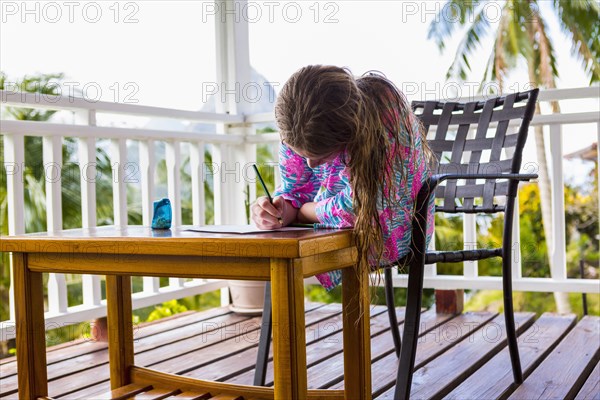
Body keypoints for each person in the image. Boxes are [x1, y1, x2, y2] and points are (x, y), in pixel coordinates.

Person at [251, 65, 435, 290]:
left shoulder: (385, 113)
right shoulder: (298, 127)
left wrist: (306, 211)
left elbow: (360, 207)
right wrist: (278, 210)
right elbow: (294, 192)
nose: (310, 164)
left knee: (289, 260)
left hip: (393, 227)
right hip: (335, 224)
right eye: (301, 154)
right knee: (279, 256)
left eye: (320, 156)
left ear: (349, 131)